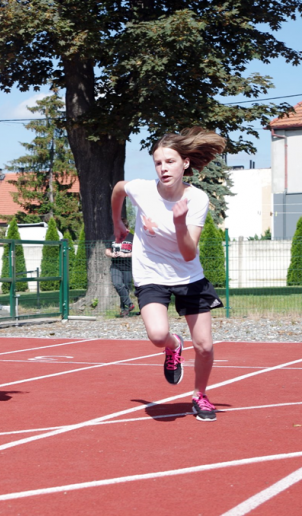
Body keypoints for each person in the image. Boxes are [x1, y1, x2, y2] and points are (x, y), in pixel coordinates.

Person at [110, 127, 226, 422]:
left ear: (185, 163)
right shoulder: (143, 189)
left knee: (205, 346)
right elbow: (119, 189)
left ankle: (200, 395)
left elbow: (189, 253)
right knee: (157, 334)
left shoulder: (196, 200)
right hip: (150, 273)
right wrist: (118, 222)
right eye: (158, 163)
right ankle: (174, 345)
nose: (163, 168)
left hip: (188, 276)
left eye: (170, 162)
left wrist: (179, 223)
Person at [105, 216, 135, 317]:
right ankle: (129, 303)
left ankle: (124, 310)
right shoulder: (113, 237)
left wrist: (125, 254)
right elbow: (107, 251)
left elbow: (137, 253)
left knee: (125, 288)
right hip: (116, 266)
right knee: (118, 284)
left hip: (128, 266)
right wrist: (112, 254)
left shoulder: (132, 237)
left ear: (126, 227)